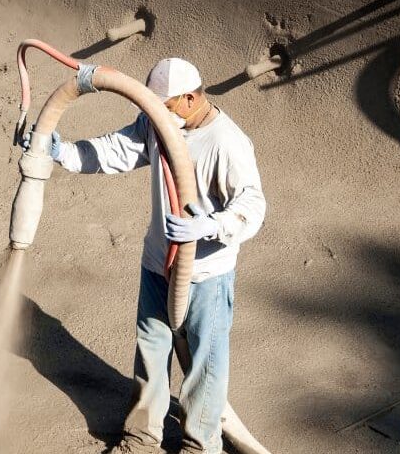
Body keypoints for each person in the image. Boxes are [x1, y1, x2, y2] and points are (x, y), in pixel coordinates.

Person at [33, 58, 266, 453]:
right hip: (158, 265)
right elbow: (117, 150)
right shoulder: (159, 123)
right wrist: (65, 153)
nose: (154, 115)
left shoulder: (227, 142)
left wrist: (210, 226)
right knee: (151, 352)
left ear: (191, 98)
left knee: (204, 367)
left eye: (163, 106)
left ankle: (201, 445)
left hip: (206, 275)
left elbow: (253, 205)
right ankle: (141, 436)